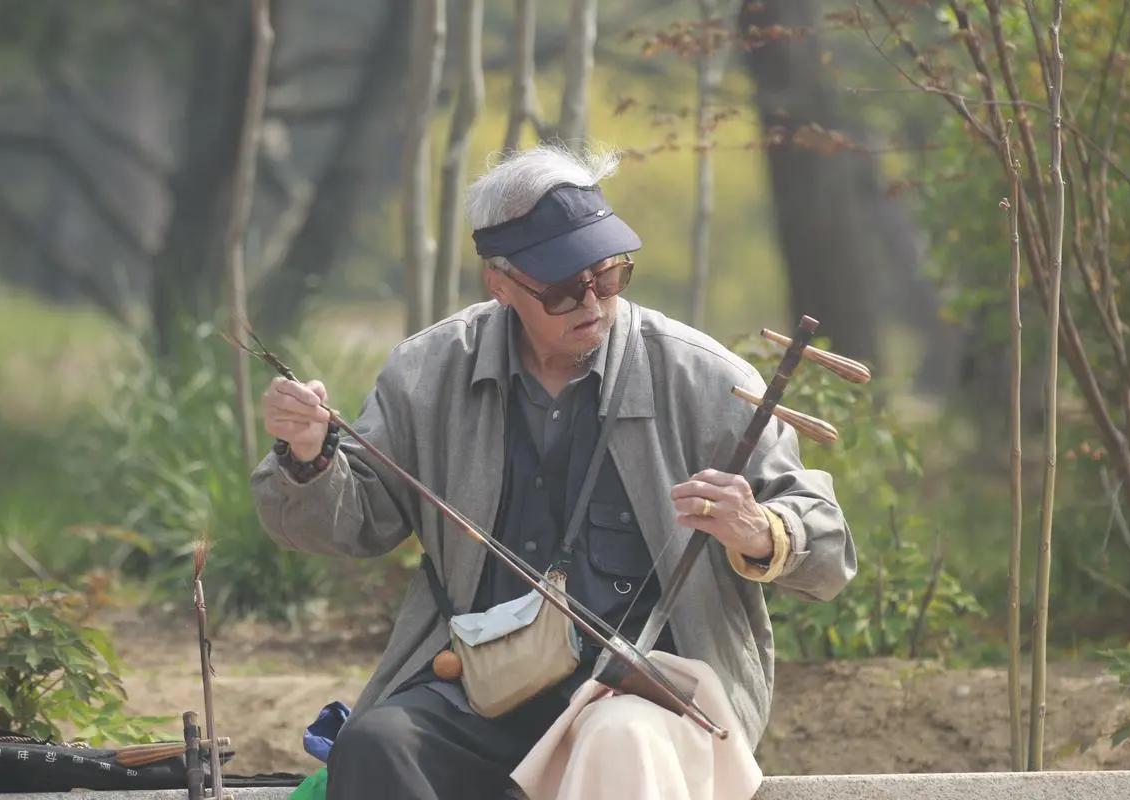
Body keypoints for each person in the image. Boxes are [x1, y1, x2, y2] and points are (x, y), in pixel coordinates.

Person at [251, 145, 856, 800]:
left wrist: (760, 530)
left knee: (615, 739)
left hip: (644, 692)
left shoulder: (703, 378)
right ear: (501, 284)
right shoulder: (428, 373)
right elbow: (354, 523)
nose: (593, 301)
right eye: (566, 287)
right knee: (376, 743)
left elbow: (829, 546)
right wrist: (308, 457)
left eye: (610, 274)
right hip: (483, 684)